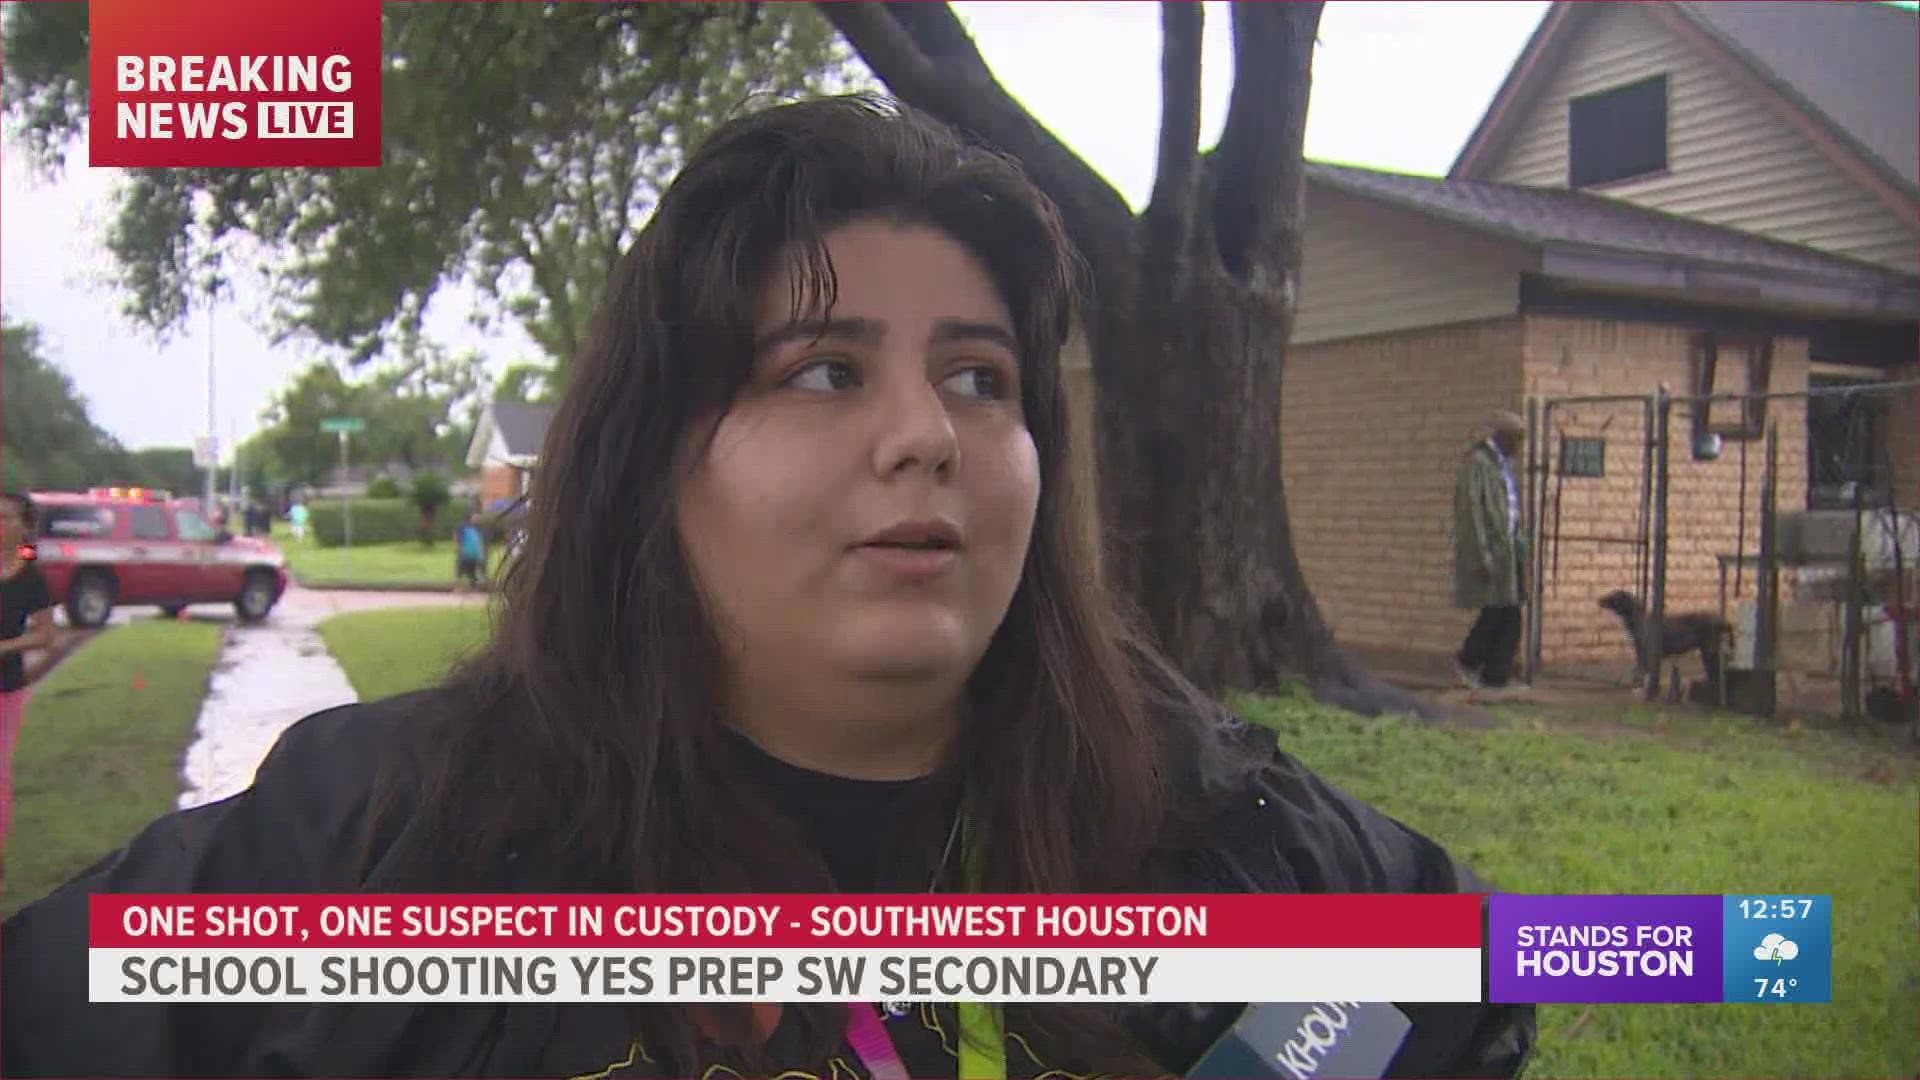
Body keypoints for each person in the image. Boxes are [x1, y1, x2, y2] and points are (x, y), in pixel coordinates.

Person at [0, 96, 1534, 1078]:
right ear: (656, 459)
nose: (926, 435)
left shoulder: (1197, 811)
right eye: (823, 370)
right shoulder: (385, 839)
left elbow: (1469, 977)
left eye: (982, 378)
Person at [1452, 410, 1530, 692]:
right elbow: (1472, 511)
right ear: (1501, 436)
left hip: (1509, 547)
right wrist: (1480, 553)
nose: (1519, 447)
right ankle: (1471, 662)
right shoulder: (1479, 464)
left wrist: (1520, 539)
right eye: (1516, 439)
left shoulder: (1503, 465)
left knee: (1509, 608)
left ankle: (1494, 674)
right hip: (1493, 548)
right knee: (1500, 609)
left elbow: (1510, 506)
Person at [0, 492, 56, 848]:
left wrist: (4, 647)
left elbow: (45, 634)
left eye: (4, 518)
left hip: (5, 687)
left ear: (23, 527)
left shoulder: (31, 579)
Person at [454, 512, 487, 593]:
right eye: (475, 518)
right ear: (470, 518)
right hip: (465, 553)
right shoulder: (463, 527)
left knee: (472, 572)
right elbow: (456, 536)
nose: (477, 519)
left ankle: (473, 588)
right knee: (460, 571)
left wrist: (480, 553)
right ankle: (457, 588)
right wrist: (458, 547)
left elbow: (479, 541)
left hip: (473, 554)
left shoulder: (478, 529)